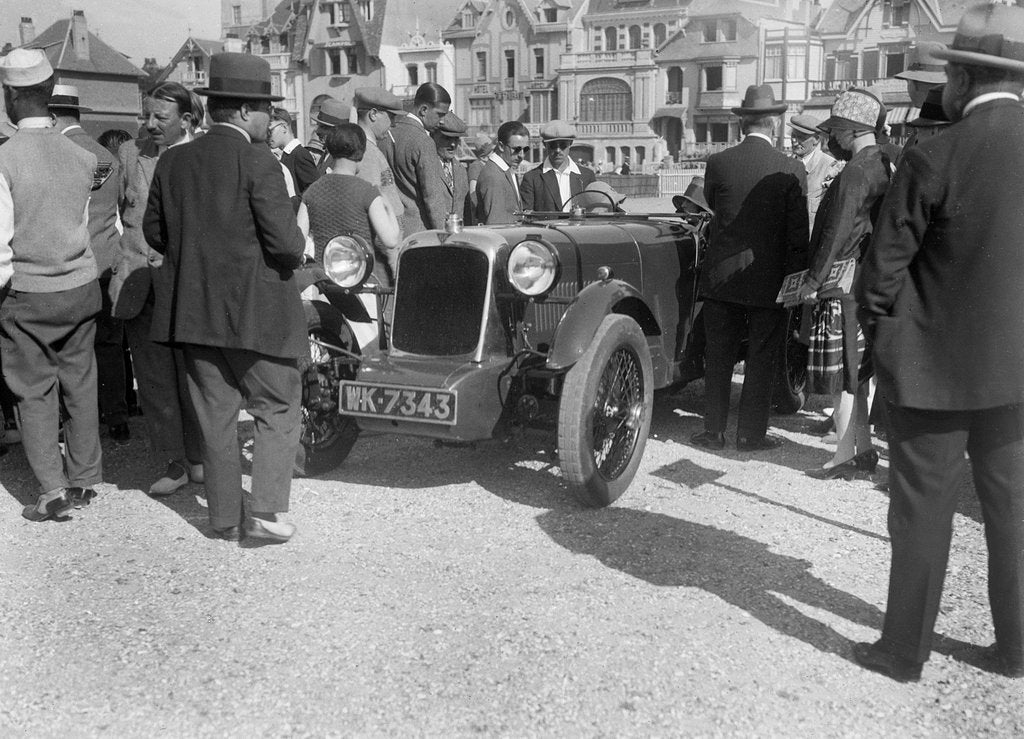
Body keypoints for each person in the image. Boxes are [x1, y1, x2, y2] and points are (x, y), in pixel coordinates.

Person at [853, 2, 1024, 682]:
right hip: (1016, 373)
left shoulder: (934, 154)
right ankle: (1016, 649)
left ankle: (903, 651)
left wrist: (883, 336)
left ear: (961, 77)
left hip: (931, 369)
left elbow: (880, 274)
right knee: (1013, 507)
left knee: (921, 510)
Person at [143, 52, 307, 544]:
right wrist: (298, 248)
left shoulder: (172, 161)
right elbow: (284, 244)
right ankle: (266, 512)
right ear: (242, 111)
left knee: (215, 417)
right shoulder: (259, 159)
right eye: (265, 110)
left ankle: (222, 517)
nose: (269, 119)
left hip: (193, 313)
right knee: (277, 407)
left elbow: (155, 232)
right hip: (258, 313)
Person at [0, 49, 103, 520]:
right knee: (80, 381)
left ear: (11, 96)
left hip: (28, 291)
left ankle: (51, 490)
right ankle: (85, 479)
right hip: (80, 286)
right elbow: (79, 226)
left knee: (34, 389)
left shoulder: (5, 158)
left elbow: (2, 247)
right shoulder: (80, 156)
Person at [689, 85, 808, 452]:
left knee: (719, 354)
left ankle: (714, 432)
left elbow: (709, 206)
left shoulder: (719, 163)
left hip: (722, 276)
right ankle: (750, 435)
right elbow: (797, 235)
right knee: (761, 356)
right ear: (774, 123)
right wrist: (795, 281)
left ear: (743, 123)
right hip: (768, 280)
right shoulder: (791, 168)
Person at [109, 81, 204, 497]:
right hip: (139, 284)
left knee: (194, 376)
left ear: (186, 120)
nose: (149, 125)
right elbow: (111, 211)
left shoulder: (203, 155)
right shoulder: (131, 153)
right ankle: (174, 461)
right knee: (153, 380)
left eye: (159, 118)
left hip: (186, 285)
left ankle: (200, 456)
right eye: (146, 115)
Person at [796, 89, 891, 479]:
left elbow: (836, 230)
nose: (833, 136)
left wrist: (813, 279)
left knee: (843, 376)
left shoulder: (854, 171)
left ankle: (844, 454)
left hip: (841, 280)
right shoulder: (881, 163)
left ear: (851, 130)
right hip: (865, 277)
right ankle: (863, 450)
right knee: (858, 372)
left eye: (837, 128)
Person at [49, 84, 130, 444]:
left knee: (68, 349)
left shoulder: (53, 153)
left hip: (70, 267)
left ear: (51, 116)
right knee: (109, 345)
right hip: (107, 262)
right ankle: (117, 418)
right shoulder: (107, 157)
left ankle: (74, 424)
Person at [299, 122, 400, 285]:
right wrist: (388, 208)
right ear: (361, 153)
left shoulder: (311, 192)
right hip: (361, 280)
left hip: (325, 283)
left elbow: (299, 241)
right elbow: (390, 240)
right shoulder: (368, 192)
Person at [387, 82, 451, 234]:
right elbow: (433, 198)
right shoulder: (423, 141)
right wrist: (443, 237)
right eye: (440, 114)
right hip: (418, 232)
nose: (442, 121)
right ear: (423, 110)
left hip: (390, 228)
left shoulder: (388, 133)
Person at [353, 87, 405, 236]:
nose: (394, 123)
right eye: (391, 117)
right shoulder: (367, 152)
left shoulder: (368, 148)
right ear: (373, 114)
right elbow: (373, 206)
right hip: (381, 245)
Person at [520, 120, 596, 212]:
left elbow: (594, 209)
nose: (558, 150)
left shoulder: (587, 176)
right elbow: (527, 213)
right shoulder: (532, 178)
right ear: (545, 145)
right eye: (553, 146)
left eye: (563, 145)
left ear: (570, 143)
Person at [789, 114, 843, 233]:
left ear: (816, 140)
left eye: (800, 137)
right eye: (793, 135)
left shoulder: (831, 167)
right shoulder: (786, 165)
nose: (794, 140)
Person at [475, 121, 528, 225]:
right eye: (516, 149)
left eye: (525, 149)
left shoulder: (506, 170)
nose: (521, 155)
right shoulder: (494, 176)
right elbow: (495, 224)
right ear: (501, 146)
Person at [269, 107, 317, 195]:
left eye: (270, 131)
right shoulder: (288, 154)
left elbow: (314, 192)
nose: (267, 136)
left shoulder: (300, 155)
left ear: (284, 127)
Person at [431, 112, 470, 223]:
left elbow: (467, 211)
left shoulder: (461, 170)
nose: (453, 144)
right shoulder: (426, 166)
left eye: (456, 139)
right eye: (447, 138)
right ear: (433, 136)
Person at [310, 98, 351, 176]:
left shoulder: (342, 158)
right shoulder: (327, 152)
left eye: (323, 127)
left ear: (337, 132)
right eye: (318, 126)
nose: (317, 131)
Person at [465, 131, 495, 219]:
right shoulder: (476, 167)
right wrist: (476, 216)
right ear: (483, 156)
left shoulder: (488, 165)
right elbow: (472, 192)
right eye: (492, 152)